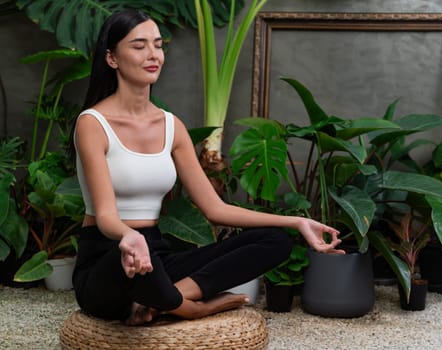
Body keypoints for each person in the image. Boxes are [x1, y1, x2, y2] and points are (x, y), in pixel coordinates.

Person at [72, 9, 345, 326]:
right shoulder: (93, 124)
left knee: (275, 241)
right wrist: (128, 237)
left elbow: (215, 208)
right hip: (108, 260)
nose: (153, 55)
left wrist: (296, 221)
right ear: (112, 58)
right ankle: (191, 307)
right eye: (138, 45)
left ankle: (163, 301)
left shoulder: (172, 126)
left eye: (158, 45)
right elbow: (105, 216)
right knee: (134, 266)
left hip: (155, 257)